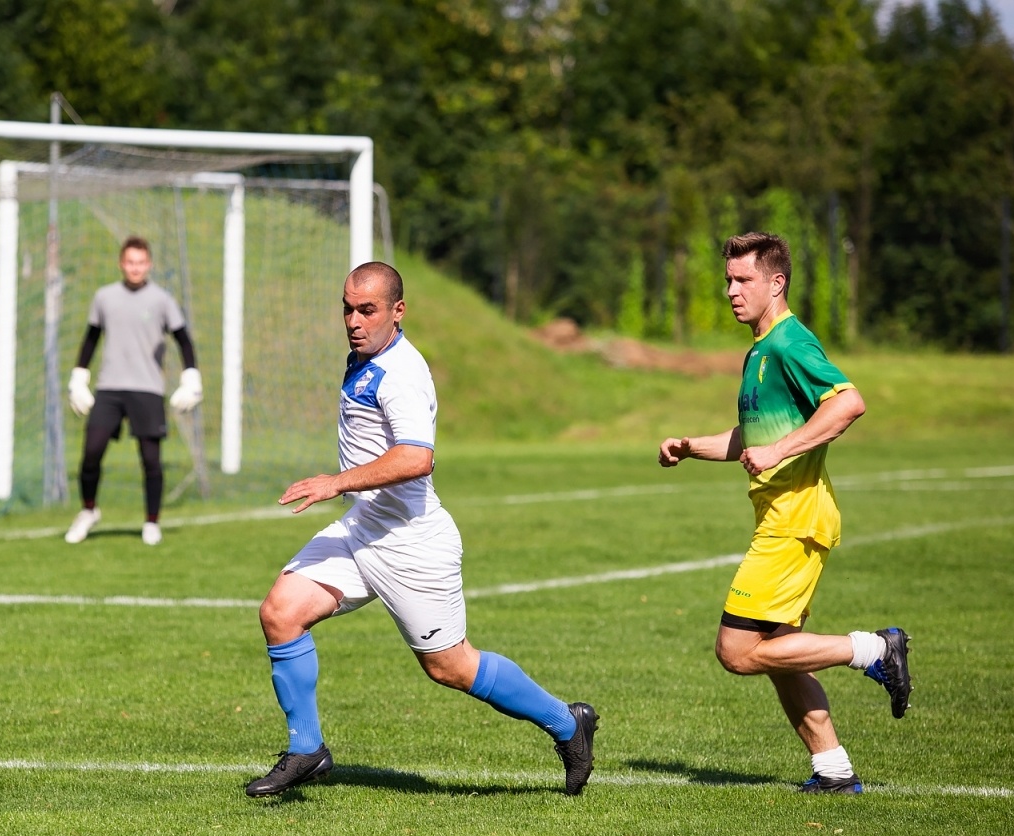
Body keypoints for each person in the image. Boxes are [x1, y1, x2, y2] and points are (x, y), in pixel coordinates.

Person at [245, 261, 598, 798]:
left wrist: (337, 482)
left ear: (397, 311)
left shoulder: (402, 373)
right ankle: (306, 750)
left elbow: (416, 458)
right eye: (347, 308)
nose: (354, 321)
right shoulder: (364, 358)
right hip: (363, 528)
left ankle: (569, 724)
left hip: (411, 543)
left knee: (451, 667)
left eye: (368, 310)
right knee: (281, 612)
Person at [658, 232, 911, 794]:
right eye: (727, 279)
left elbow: (848, 403)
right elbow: (754, 436)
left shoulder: (790, 343)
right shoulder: (759, 350)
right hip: (782, 516)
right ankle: (834, 770)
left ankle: (874, 648)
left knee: (737, 651)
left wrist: (779, 451)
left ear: (777, 282)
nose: (731, 291)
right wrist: (689, 445)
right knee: (779, 653)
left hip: (794, 520)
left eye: (743, 279)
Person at [65, 236, 203, 546]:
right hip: (109, 388)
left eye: (141, 262)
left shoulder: (162, 300)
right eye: (130, 262)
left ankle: (151, 522)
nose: (135, 268)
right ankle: (88, 510)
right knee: (91, 453)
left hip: (147, 388)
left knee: (151, 460)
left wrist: (191, 377)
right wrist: (78, 377)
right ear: (121, 263)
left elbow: (183, 339)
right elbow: (91, 338)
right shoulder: (104, 297)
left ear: (149, 264)